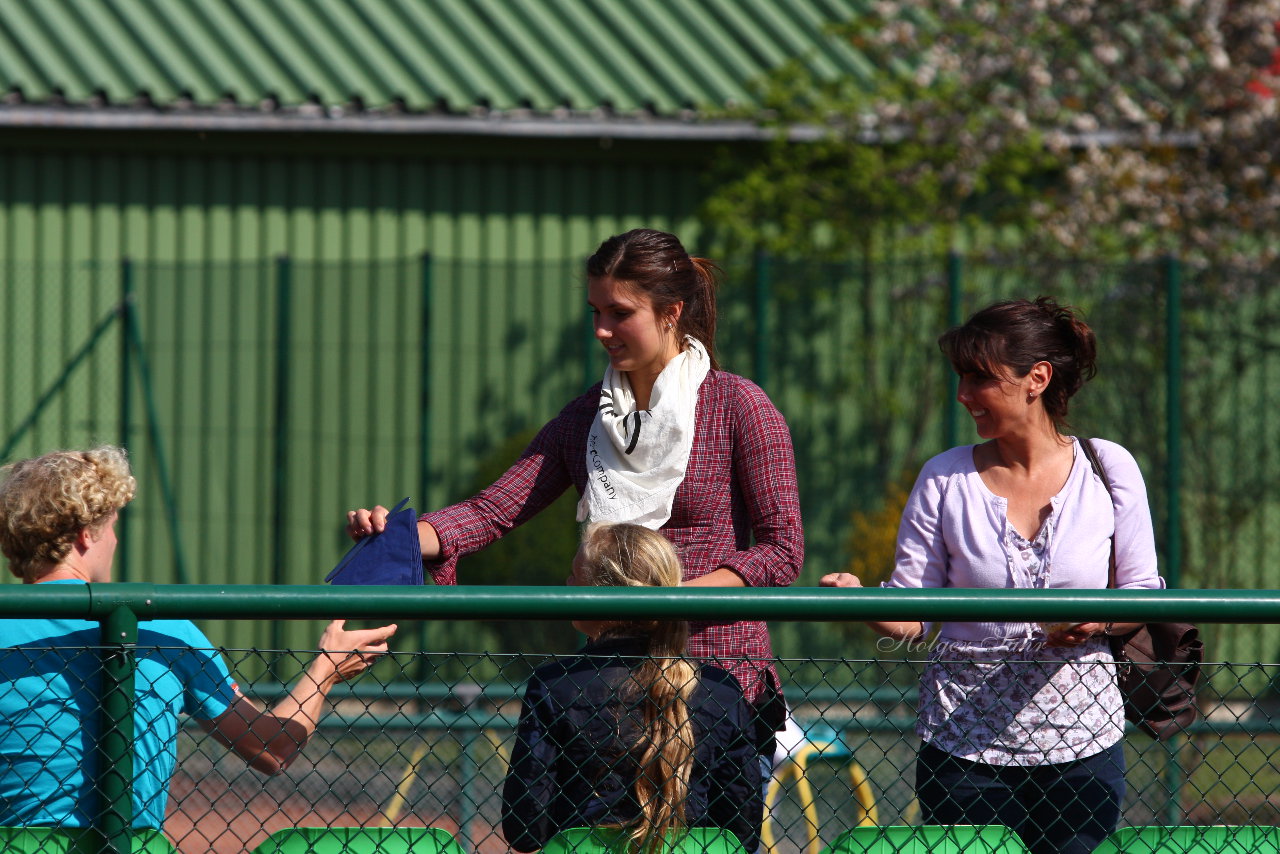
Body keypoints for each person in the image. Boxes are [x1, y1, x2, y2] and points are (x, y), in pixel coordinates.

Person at [349, 228, 803, 750]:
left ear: (671, 312)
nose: (602, 330)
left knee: (716, 836)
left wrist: (669, 600)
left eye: (620, 313)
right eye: (596, 312)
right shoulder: (585, 416)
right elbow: (492, 509)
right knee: (596, 834)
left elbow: (782, 551)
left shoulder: (738, 405)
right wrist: (397, 534)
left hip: (720, 683)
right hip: (612, 688)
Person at [821, 297, 1163, 854]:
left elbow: (1144, 596)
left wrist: (1097, 618)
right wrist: (858, 600)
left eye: (979, 378)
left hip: (1083, 741)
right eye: (961, 377)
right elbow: (913, 615)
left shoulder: (1110, 467)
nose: (962, 395)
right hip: (963, 746)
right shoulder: (944, 476)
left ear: (1038, 378)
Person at [0, 446, 397, 831]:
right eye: (113, 528)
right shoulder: (162, 632)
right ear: (86, 535)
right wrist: (325, 667)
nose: (115, 542)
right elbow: (272, 747)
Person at [501, 522, 763, 853]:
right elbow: (743, 829)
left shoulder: (555, 685)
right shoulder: (720, 690)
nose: (567, 583)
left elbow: (525, 828)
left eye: (574, 575)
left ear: (603, 592)